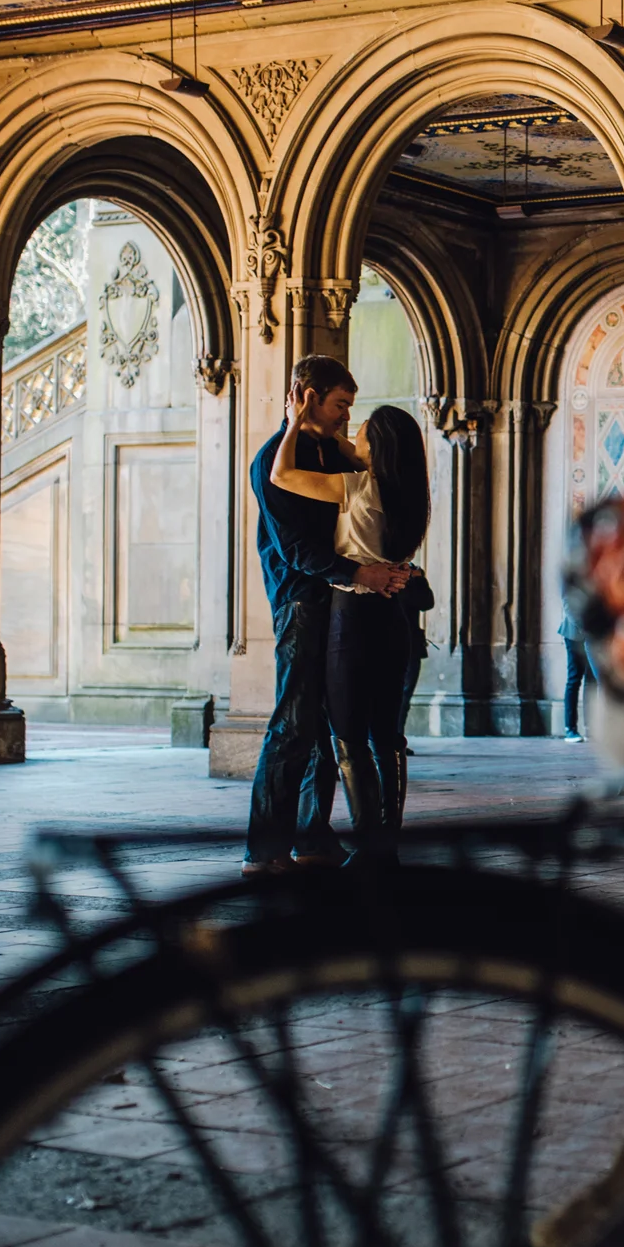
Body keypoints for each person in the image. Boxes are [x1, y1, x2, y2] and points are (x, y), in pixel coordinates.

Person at [244, 357, 409, 875]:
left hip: (335, 603)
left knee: (326, 727)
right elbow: (294, 549)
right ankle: (264, 849)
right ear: (307, 395)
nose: (346, 417)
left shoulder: (331, 454)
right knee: (292, 725)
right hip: (300, 601)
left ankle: (313, 838)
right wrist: (360, 576)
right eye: (340, 404)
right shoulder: (274, 458)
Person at [272, 399, 431, 864]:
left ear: (375, 447)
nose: (351, 435)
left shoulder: (356, 488)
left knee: (348, 734)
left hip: (352, 617)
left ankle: (368, 846)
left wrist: (295, 423)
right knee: (388, 737)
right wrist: (338, 434)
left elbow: (282, 475)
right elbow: (354, 447)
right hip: (393, 619)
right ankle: (388, 844)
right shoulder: (410, 494)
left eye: (361, 432)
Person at [559, 605, 595, 742]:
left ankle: (590, 729)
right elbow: (569, 606)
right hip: (574, 635)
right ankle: (570, 729)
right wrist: (584, 628)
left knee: (591, 682)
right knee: (574, 679)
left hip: (591, 636)